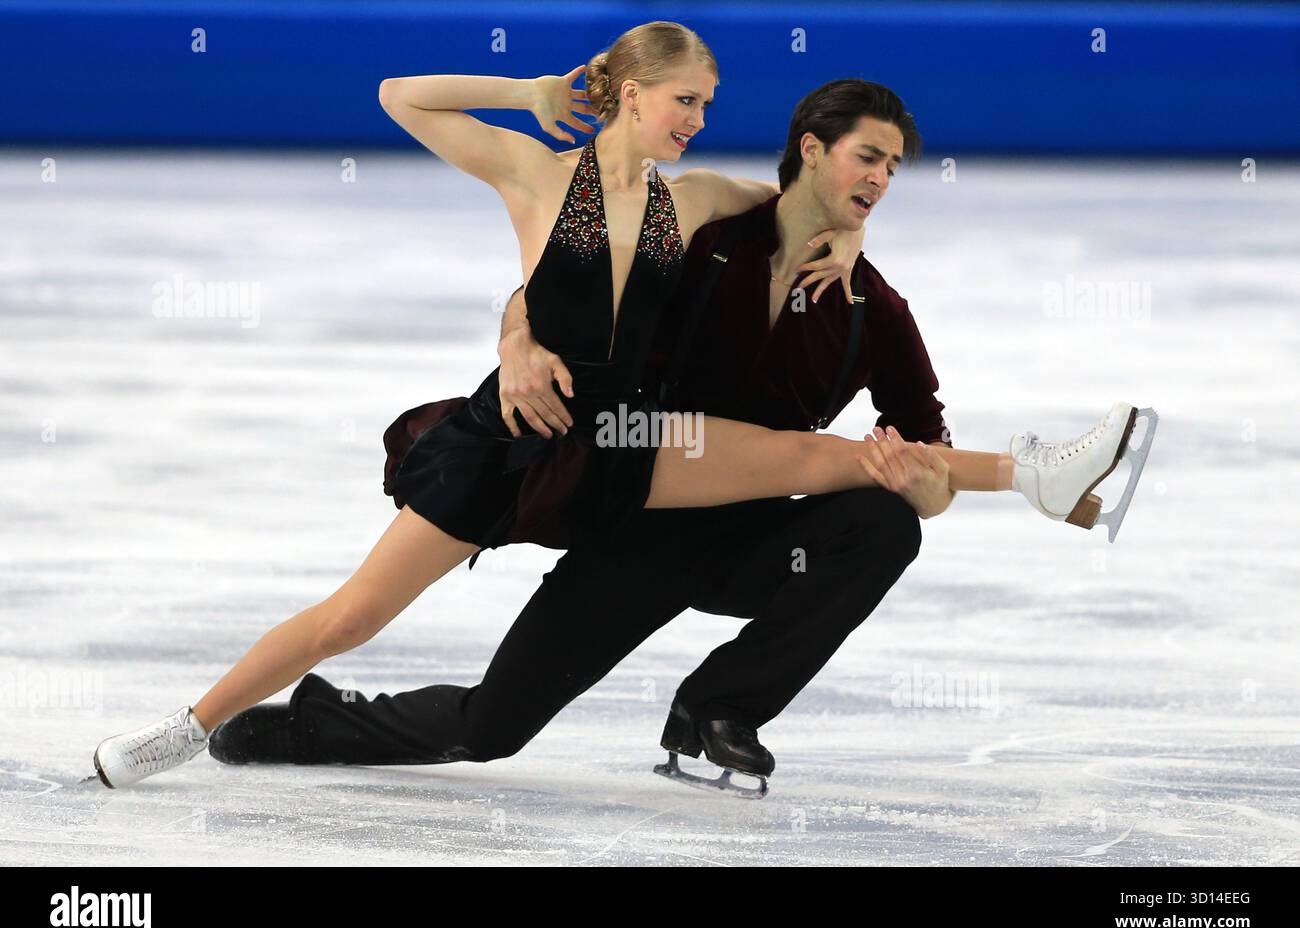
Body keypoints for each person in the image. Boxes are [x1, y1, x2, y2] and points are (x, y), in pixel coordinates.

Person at [91, 25, 1154, 792]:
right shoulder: (534, 173)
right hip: (508, 438)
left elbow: (803, 199)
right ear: (632, 93)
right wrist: (535, 97)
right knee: (355, 619)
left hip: (631, 436)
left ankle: (1031, 472)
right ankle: (190, 727)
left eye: (706, 102)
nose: (698, 118)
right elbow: (397, 96)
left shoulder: (697, 202)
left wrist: (854, 237)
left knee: (818, 456)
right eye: (684, 99)